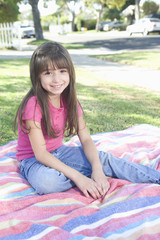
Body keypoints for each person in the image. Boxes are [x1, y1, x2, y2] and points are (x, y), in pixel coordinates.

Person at [15, 41, 160, 199]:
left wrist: (97, 168)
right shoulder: (33, 105)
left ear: (70, 72)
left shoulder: (69, 101)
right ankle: (81, 174)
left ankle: (155, 177)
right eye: (48, 73)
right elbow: (41, 154)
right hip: (33, 160)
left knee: (102, 159)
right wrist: (80, 179)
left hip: (60, 152)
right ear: (37, 77)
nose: (56, 79)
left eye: (62, 71)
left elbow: (85, 138)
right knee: (48, 183)